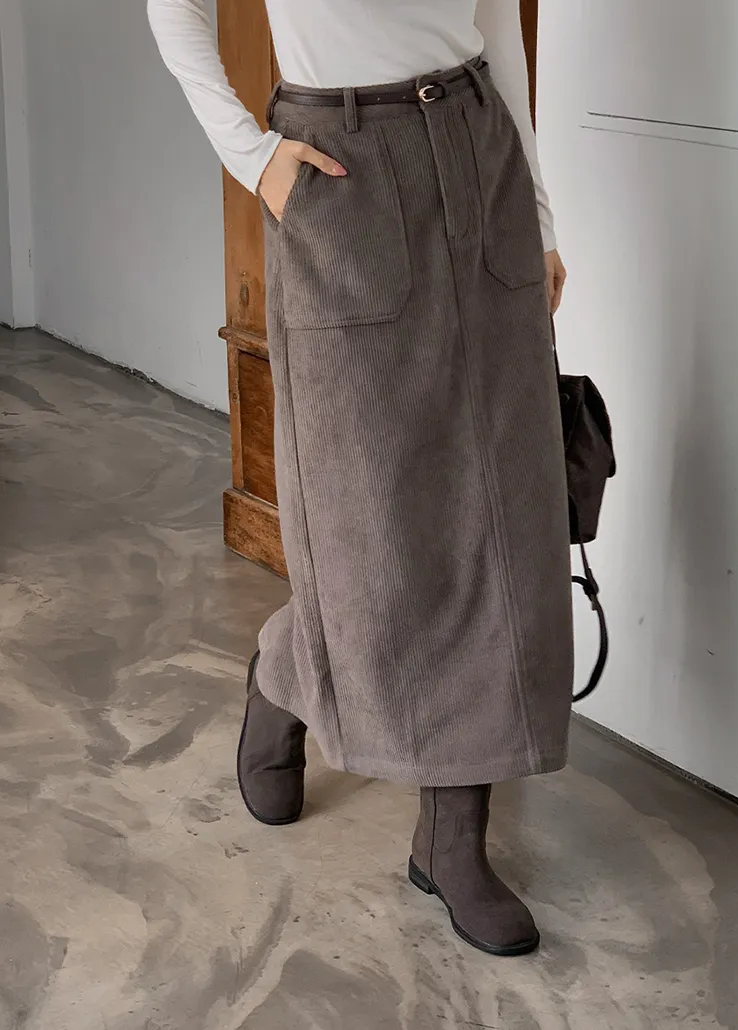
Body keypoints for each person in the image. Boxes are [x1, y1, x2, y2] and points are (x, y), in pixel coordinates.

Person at [148, 0, 573, 957]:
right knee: (368, 516)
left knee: (499, 513)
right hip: (339, 167)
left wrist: (539, 217)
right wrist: (252, 155)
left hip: (477, 148)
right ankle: (287, 670)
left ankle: (450, 841)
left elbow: (498, 29)